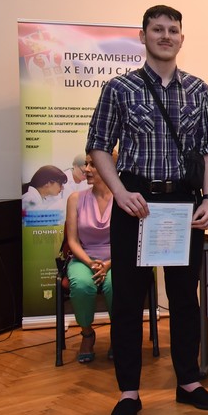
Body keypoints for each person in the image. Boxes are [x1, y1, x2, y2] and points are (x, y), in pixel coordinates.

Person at [86, 4, 208, 415]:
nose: (166, 36)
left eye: (173, 30)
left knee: (184, 299)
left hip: (182, 203)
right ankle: (129, 392)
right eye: (157, 29)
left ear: (182, 38)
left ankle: (189, 382)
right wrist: (120, 192)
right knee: (129, 300)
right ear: (143, 36)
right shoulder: (119, 88)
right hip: (135, 202)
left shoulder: (198, 89)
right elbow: (98, 146)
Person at [63, 152, 115, 364]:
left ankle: (118, 335)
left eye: (93, 164)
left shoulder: (123, 198)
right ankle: (87, 334)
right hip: (83, 258)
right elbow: (72, 241)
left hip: (117, 259)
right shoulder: (75, 199)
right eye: (86, 164)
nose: (86, 169)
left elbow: (130, 241)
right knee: (82, 285)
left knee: (116, 285)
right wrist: (91, 263)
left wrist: (108, 264)